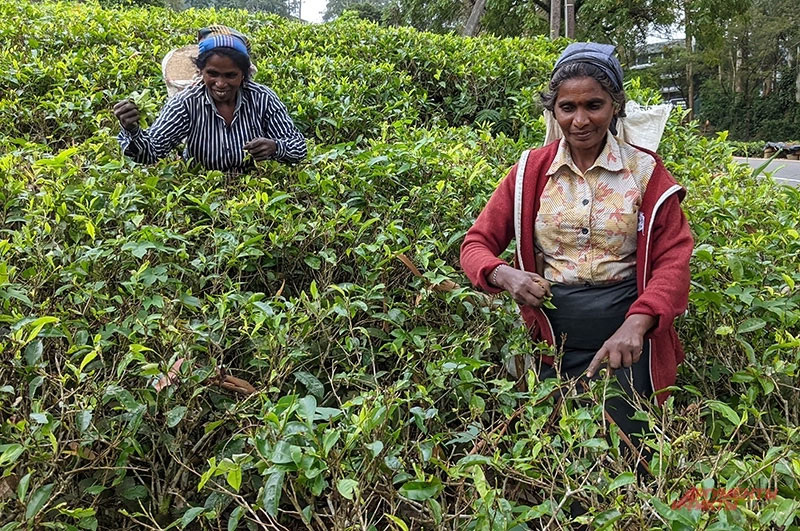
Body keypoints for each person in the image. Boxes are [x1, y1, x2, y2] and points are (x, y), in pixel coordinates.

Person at [460, 42, 693, 445]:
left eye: (594, 105)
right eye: (568, 108)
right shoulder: (530, 171)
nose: (580, 120)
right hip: (549, 336)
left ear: (615, 106)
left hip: (626, 342)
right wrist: (503, 274)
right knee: (553, 452)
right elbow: (476, 244)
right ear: (554, 110)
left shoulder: (645, 173)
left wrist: (637, 325)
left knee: (629, 450)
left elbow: (673, 261)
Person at [113, 27, 306, 170]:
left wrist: (275, 147)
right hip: (201, 192)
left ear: (244, 74)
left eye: (230, 75)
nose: (220, 84)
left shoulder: (263, 99)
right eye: (212, 74)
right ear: (200, 71)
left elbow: (299, 147)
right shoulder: (186, 103)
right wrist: (132, 130)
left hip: (254, 191)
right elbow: (151, 151)